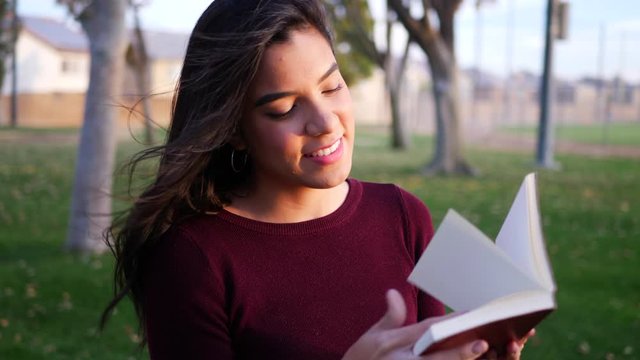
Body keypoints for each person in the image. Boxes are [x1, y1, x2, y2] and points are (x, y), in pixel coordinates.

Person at [102, 0, 532, 359]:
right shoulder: (193, 258)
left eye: (331, 88)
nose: (326, 123)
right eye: (285, 108)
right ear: (233, 128)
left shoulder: (404, 216)